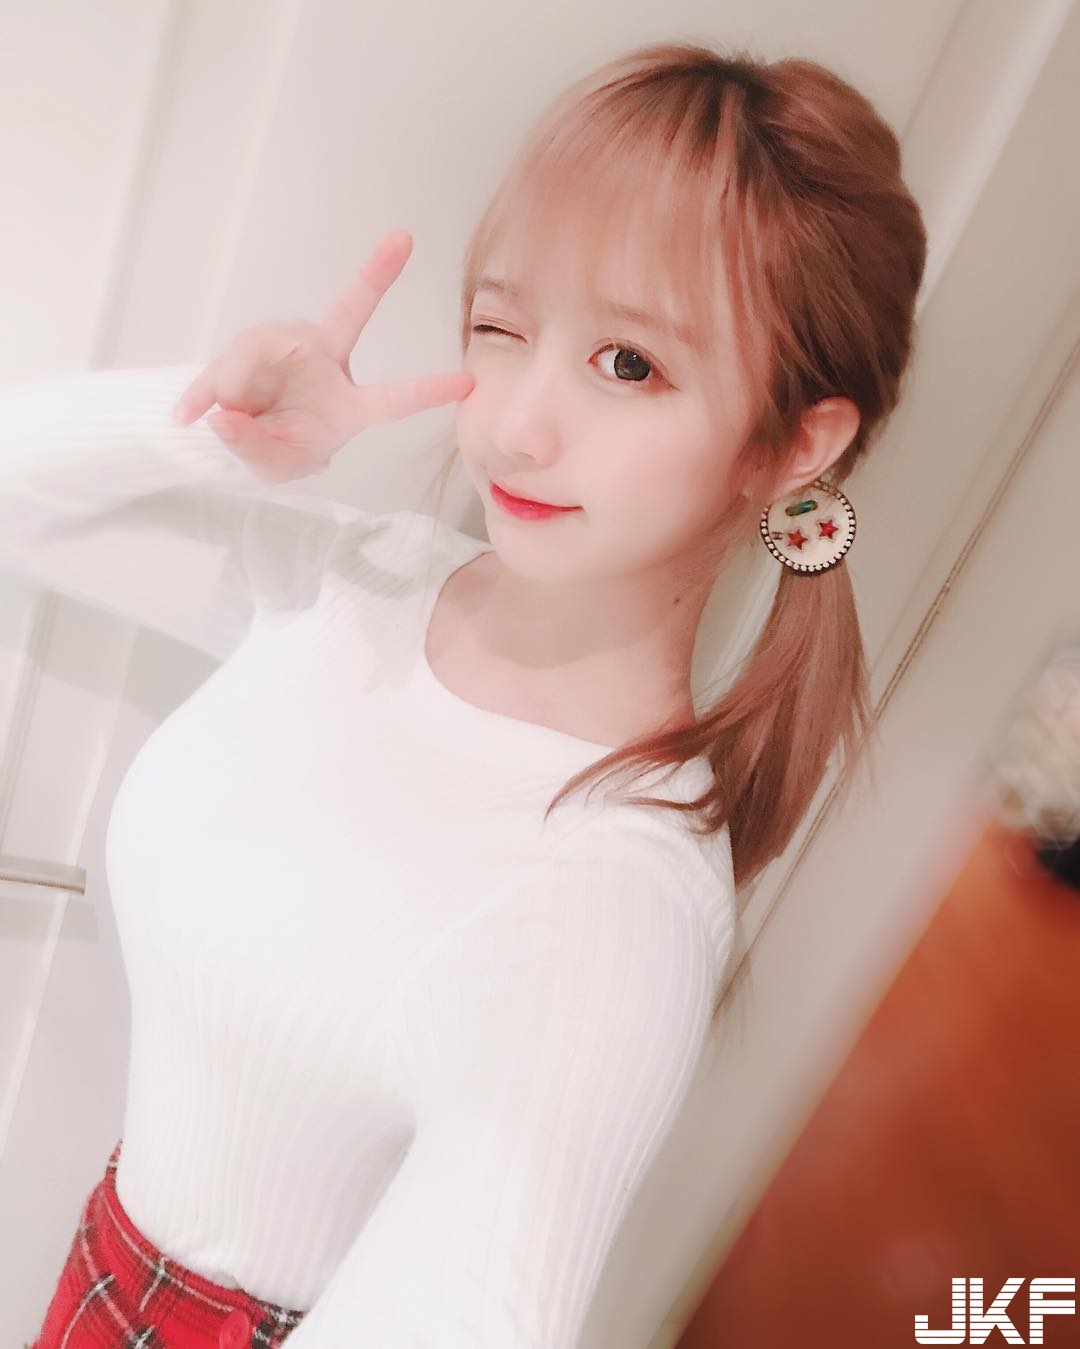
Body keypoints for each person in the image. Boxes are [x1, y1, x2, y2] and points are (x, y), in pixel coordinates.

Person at [10, 39, 926, 1349]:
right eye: (503, 327)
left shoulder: (613, 902)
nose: (515, 424)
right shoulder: (359, 580)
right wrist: (219, 436)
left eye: (629, 364)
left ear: (792, 444)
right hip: (99, 1267)